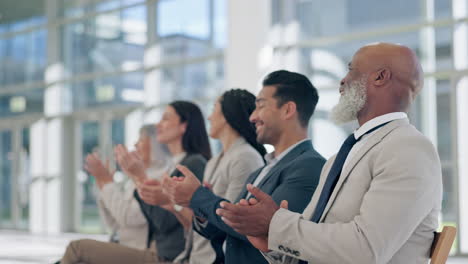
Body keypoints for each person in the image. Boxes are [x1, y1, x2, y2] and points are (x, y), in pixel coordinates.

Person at [217, 43, 443, 264]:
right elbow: (311, 243)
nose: (342, 81)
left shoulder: (408, 149)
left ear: (380, 77)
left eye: (351, 70)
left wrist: (276, 224)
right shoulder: (341, 157)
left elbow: (365, 250)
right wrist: (269, 241)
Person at [163, 70, 326, 264]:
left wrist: (198, 196)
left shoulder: (309, 166)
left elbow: (260, 227)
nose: (252, 117)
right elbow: (223, 229)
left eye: (260, 106)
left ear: (288, 110)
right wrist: (195, 204)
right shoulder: (260, 172)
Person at [61, 101, 210, 264]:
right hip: (156, 249)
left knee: (77, 249)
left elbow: (163, 222)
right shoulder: (174, 166)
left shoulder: (191, 164)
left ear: (184, 126)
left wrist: (135, 177)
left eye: (166, 119)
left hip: (166, 254)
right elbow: (117, 223)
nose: (159, 125)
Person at [163, 89, 267, 264]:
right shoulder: (214, 161)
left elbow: (235, 222)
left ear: (227, 115)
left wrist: (197, 198)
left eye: (213, 110)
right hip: (196, 257)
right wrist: (189, 201)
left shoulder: (245, 157)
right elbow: (206, 217)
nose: (209, 118)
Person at [59, 124, 171, 263]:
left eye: (141, 140)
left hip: (139, 250)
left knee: (76, 249)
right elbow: (114, 224)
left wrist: (106, 182)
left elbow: (129, 218)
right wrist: (103, 183)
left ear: (155, 145)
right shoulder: (137, 178)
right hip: (123, 244)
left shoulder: (158, 177)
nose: (135, 144)